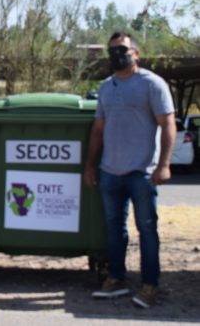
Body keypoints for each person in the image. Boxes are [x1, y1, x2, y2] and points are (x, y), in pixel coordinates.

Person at [84, 32, 176, 308]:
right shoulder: (106, 87)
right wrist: (90, 165)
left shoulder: (151, 84)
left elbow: (168, 124)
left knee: (147, 229)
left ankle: (150, 285)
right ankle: (116, 278)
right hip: (110, 171)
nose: (116, 54)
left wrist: (164, 165)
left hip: (142, 172)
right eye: (111, 50)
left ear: (136, 53)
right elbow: (98, 130)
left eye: (122, 49)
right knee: (114, 229)